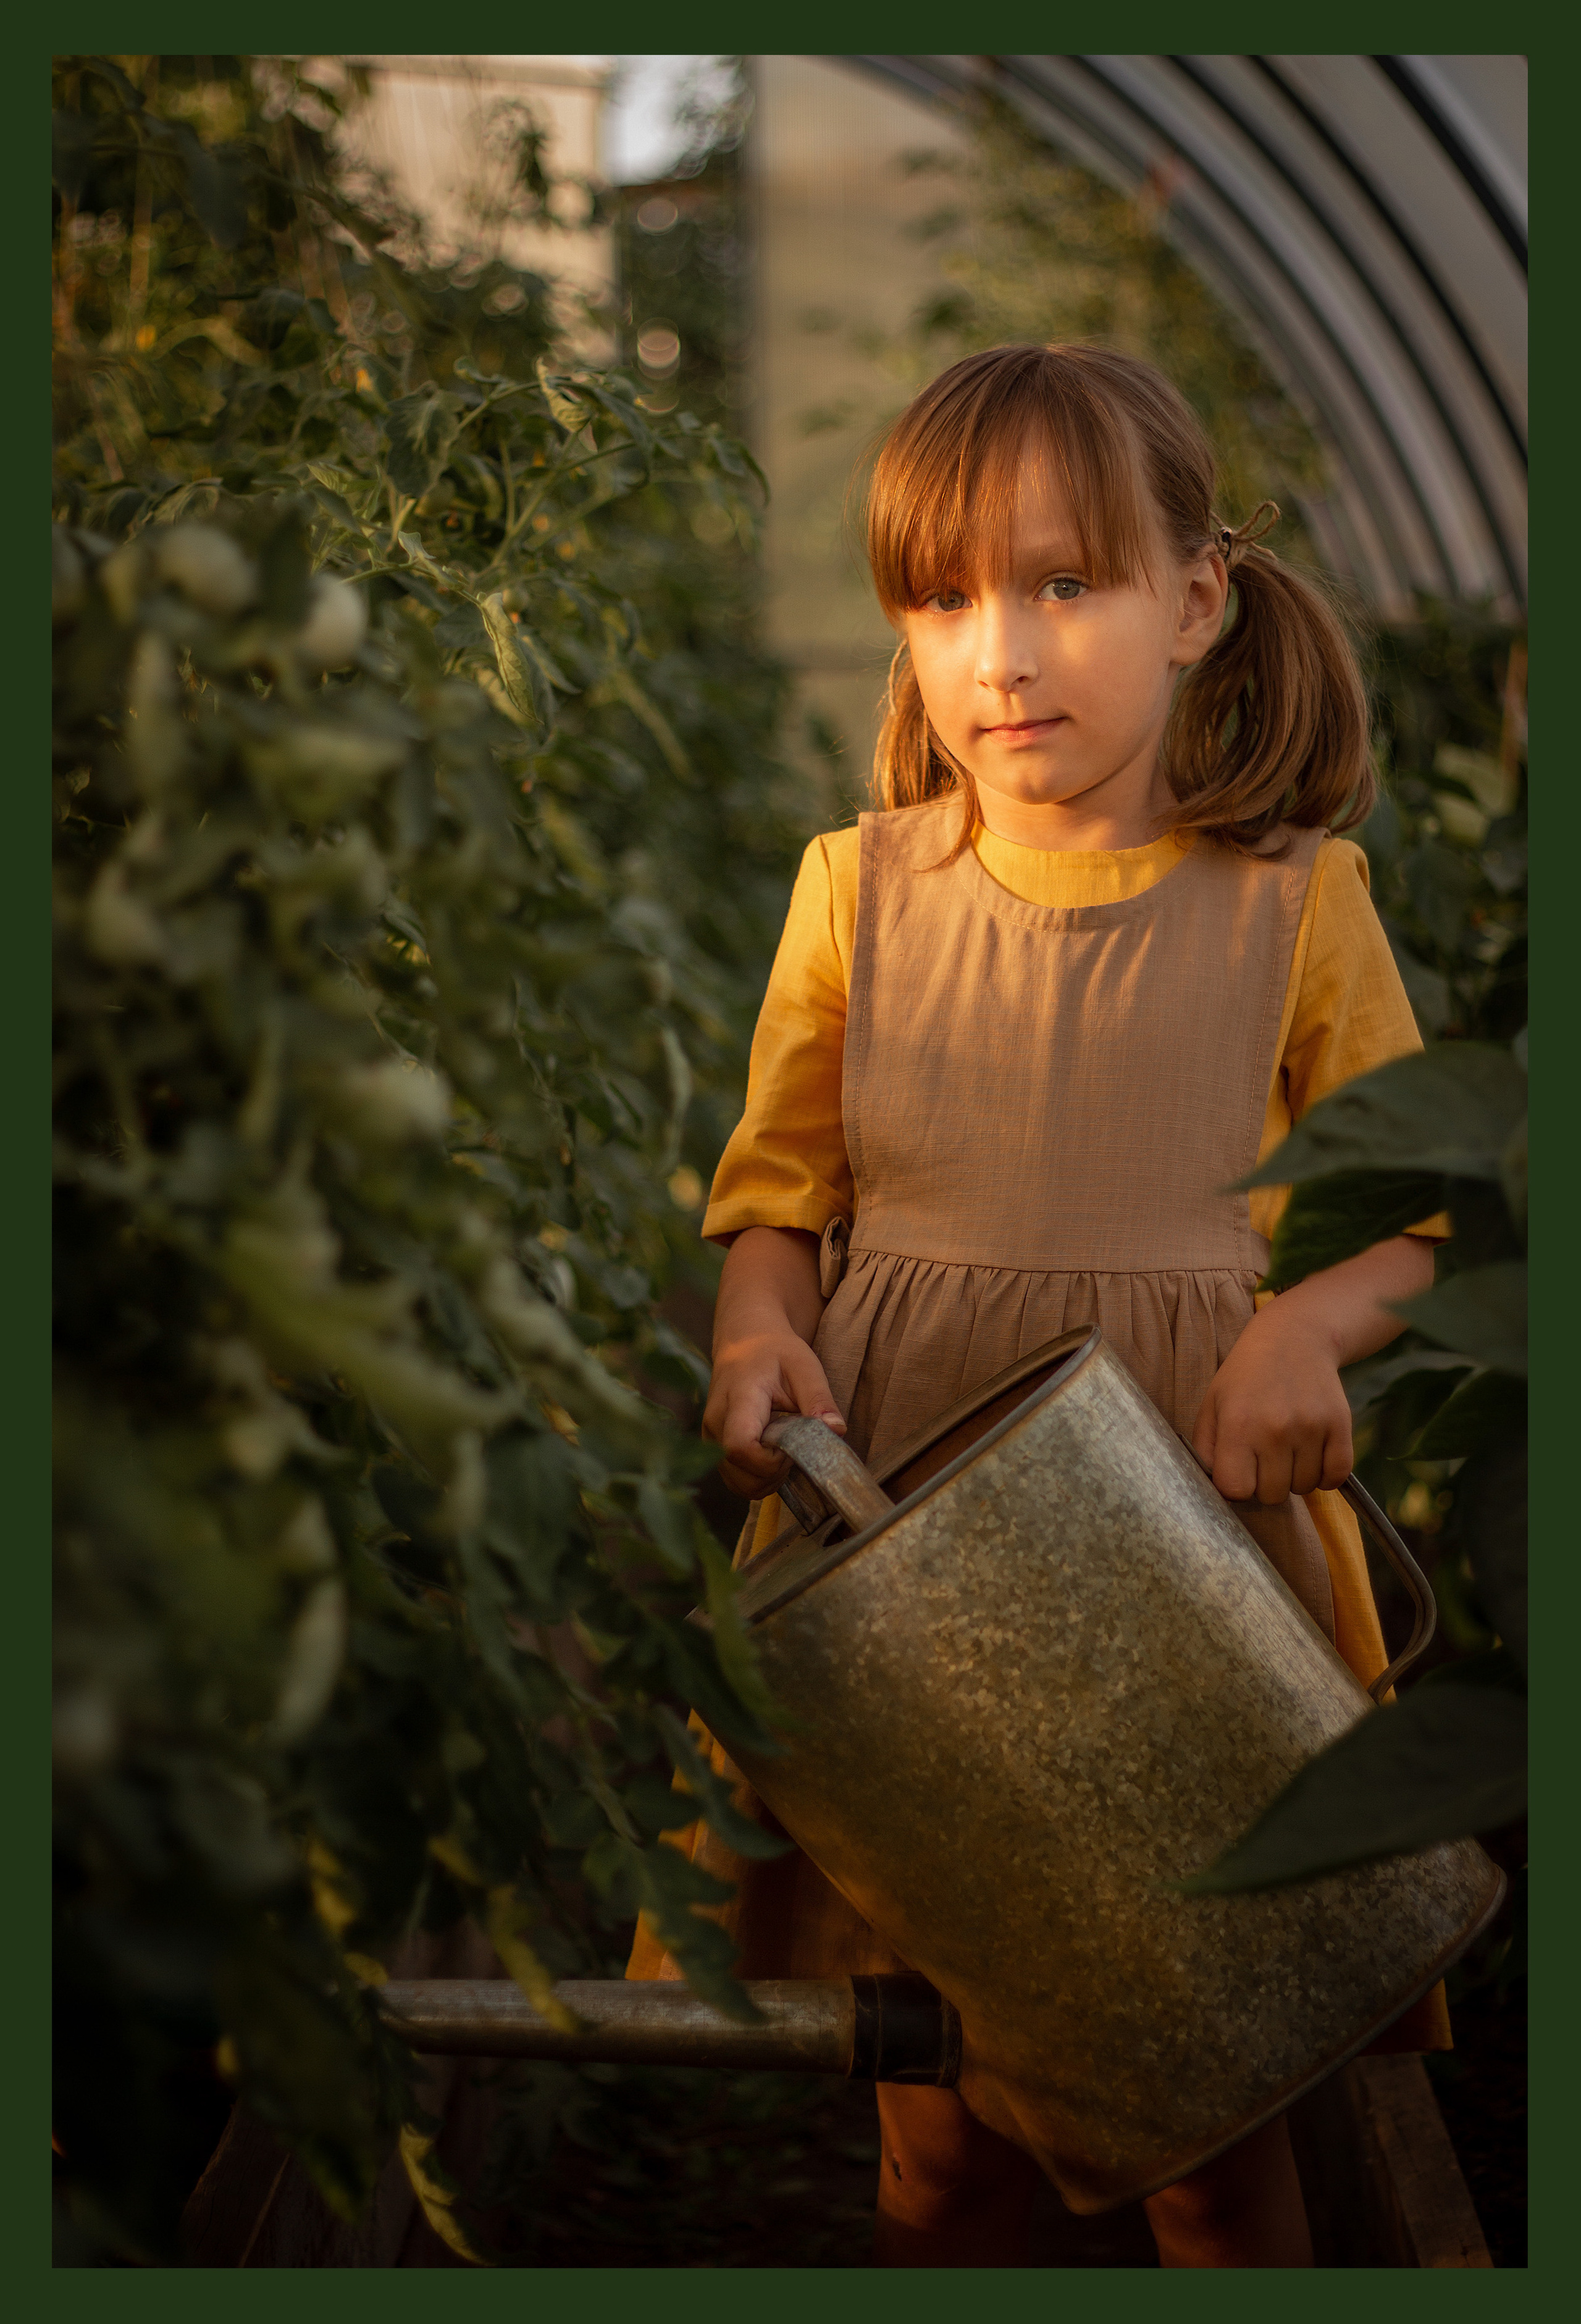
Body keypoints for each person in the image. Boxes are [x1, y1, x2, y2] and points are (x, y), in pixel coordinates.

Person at [627, 344, 1451, 2267]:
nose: (1000, 652)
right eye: (943, 598)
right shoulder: (864, 892)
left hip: (1189, 1571)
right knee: (938, 2139)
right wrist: (759, 1326)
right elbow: (779, 1202)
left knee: (1213, 2141)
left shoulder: (1290, 906)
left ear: (1194, 602)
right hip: (913, 1566)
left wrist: (1307, 1326)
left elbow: (1429, 1220)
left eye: (1063, 583)